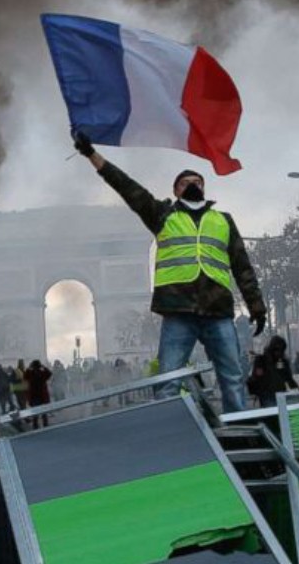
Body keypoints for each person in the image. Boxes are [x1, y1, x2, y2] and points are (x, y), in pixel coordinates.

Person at [73, 133, 266, 413]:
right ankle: (171, 431)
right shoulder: (161, 215)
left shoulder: (223, 220)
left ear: (204, 187)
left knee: (232, 377)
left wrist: (256, 306)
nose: (192, 185)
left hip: (217, 309)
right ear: (175, 191)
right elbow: (128, 188)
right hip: (179, 311)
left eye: (197, 182)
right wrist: (93, 155)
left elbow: (243, 267)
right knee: (168, 380)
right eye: (185, 183)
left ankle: (241, 430)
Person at [247, 335, 299, 408]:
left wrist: (298, 393)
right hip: (267, 395)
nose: (278, 353)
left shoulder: (282, 362)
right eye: (276, 350)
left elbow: (288, 378)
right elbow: (256, 378)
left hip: (280, 395)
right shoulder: (262, 360)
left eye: (281, 350)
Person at [24, 359, 52, 429]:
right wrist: (44, 367)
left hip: (35, 396)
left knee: (35, 413)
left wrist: (28, 368)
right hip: (41, 396)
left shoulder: (31, 373)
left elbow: (24, 377)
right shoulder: (42, 373)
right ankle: (45, 426)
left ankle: (36, 427)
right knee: (43, 413)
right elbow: (49, 374)